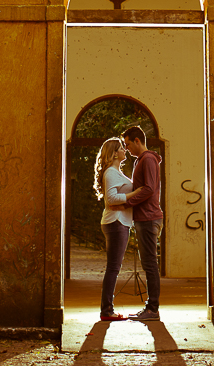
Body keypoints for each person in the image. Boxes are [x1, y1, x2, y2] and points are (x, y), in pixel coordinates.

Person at [121, 125, 163, 321]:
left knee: (150, 264)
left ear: (137, 141)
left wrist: (126, 203)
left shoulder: (147, 160)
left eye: (128, 144)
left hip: (148, 217)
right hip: (145, 218)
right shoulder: (143, 160)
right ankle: (150, 307)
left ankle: (152, 309)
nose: (126, 148)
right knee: (149, 263)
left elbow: (148, 189)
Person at [94, 137, 133, 322]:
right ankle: (106, 310)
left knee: (113, 267)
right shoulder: (110, 172)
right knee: (113, 268)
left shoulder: (116, 172)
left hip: (119, 221)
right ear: (115, 153)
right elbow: (111, 199)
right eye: (121, 148)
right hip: (115, 223)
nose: (125, 150)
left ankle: (107, 309)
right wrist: (134, 194)